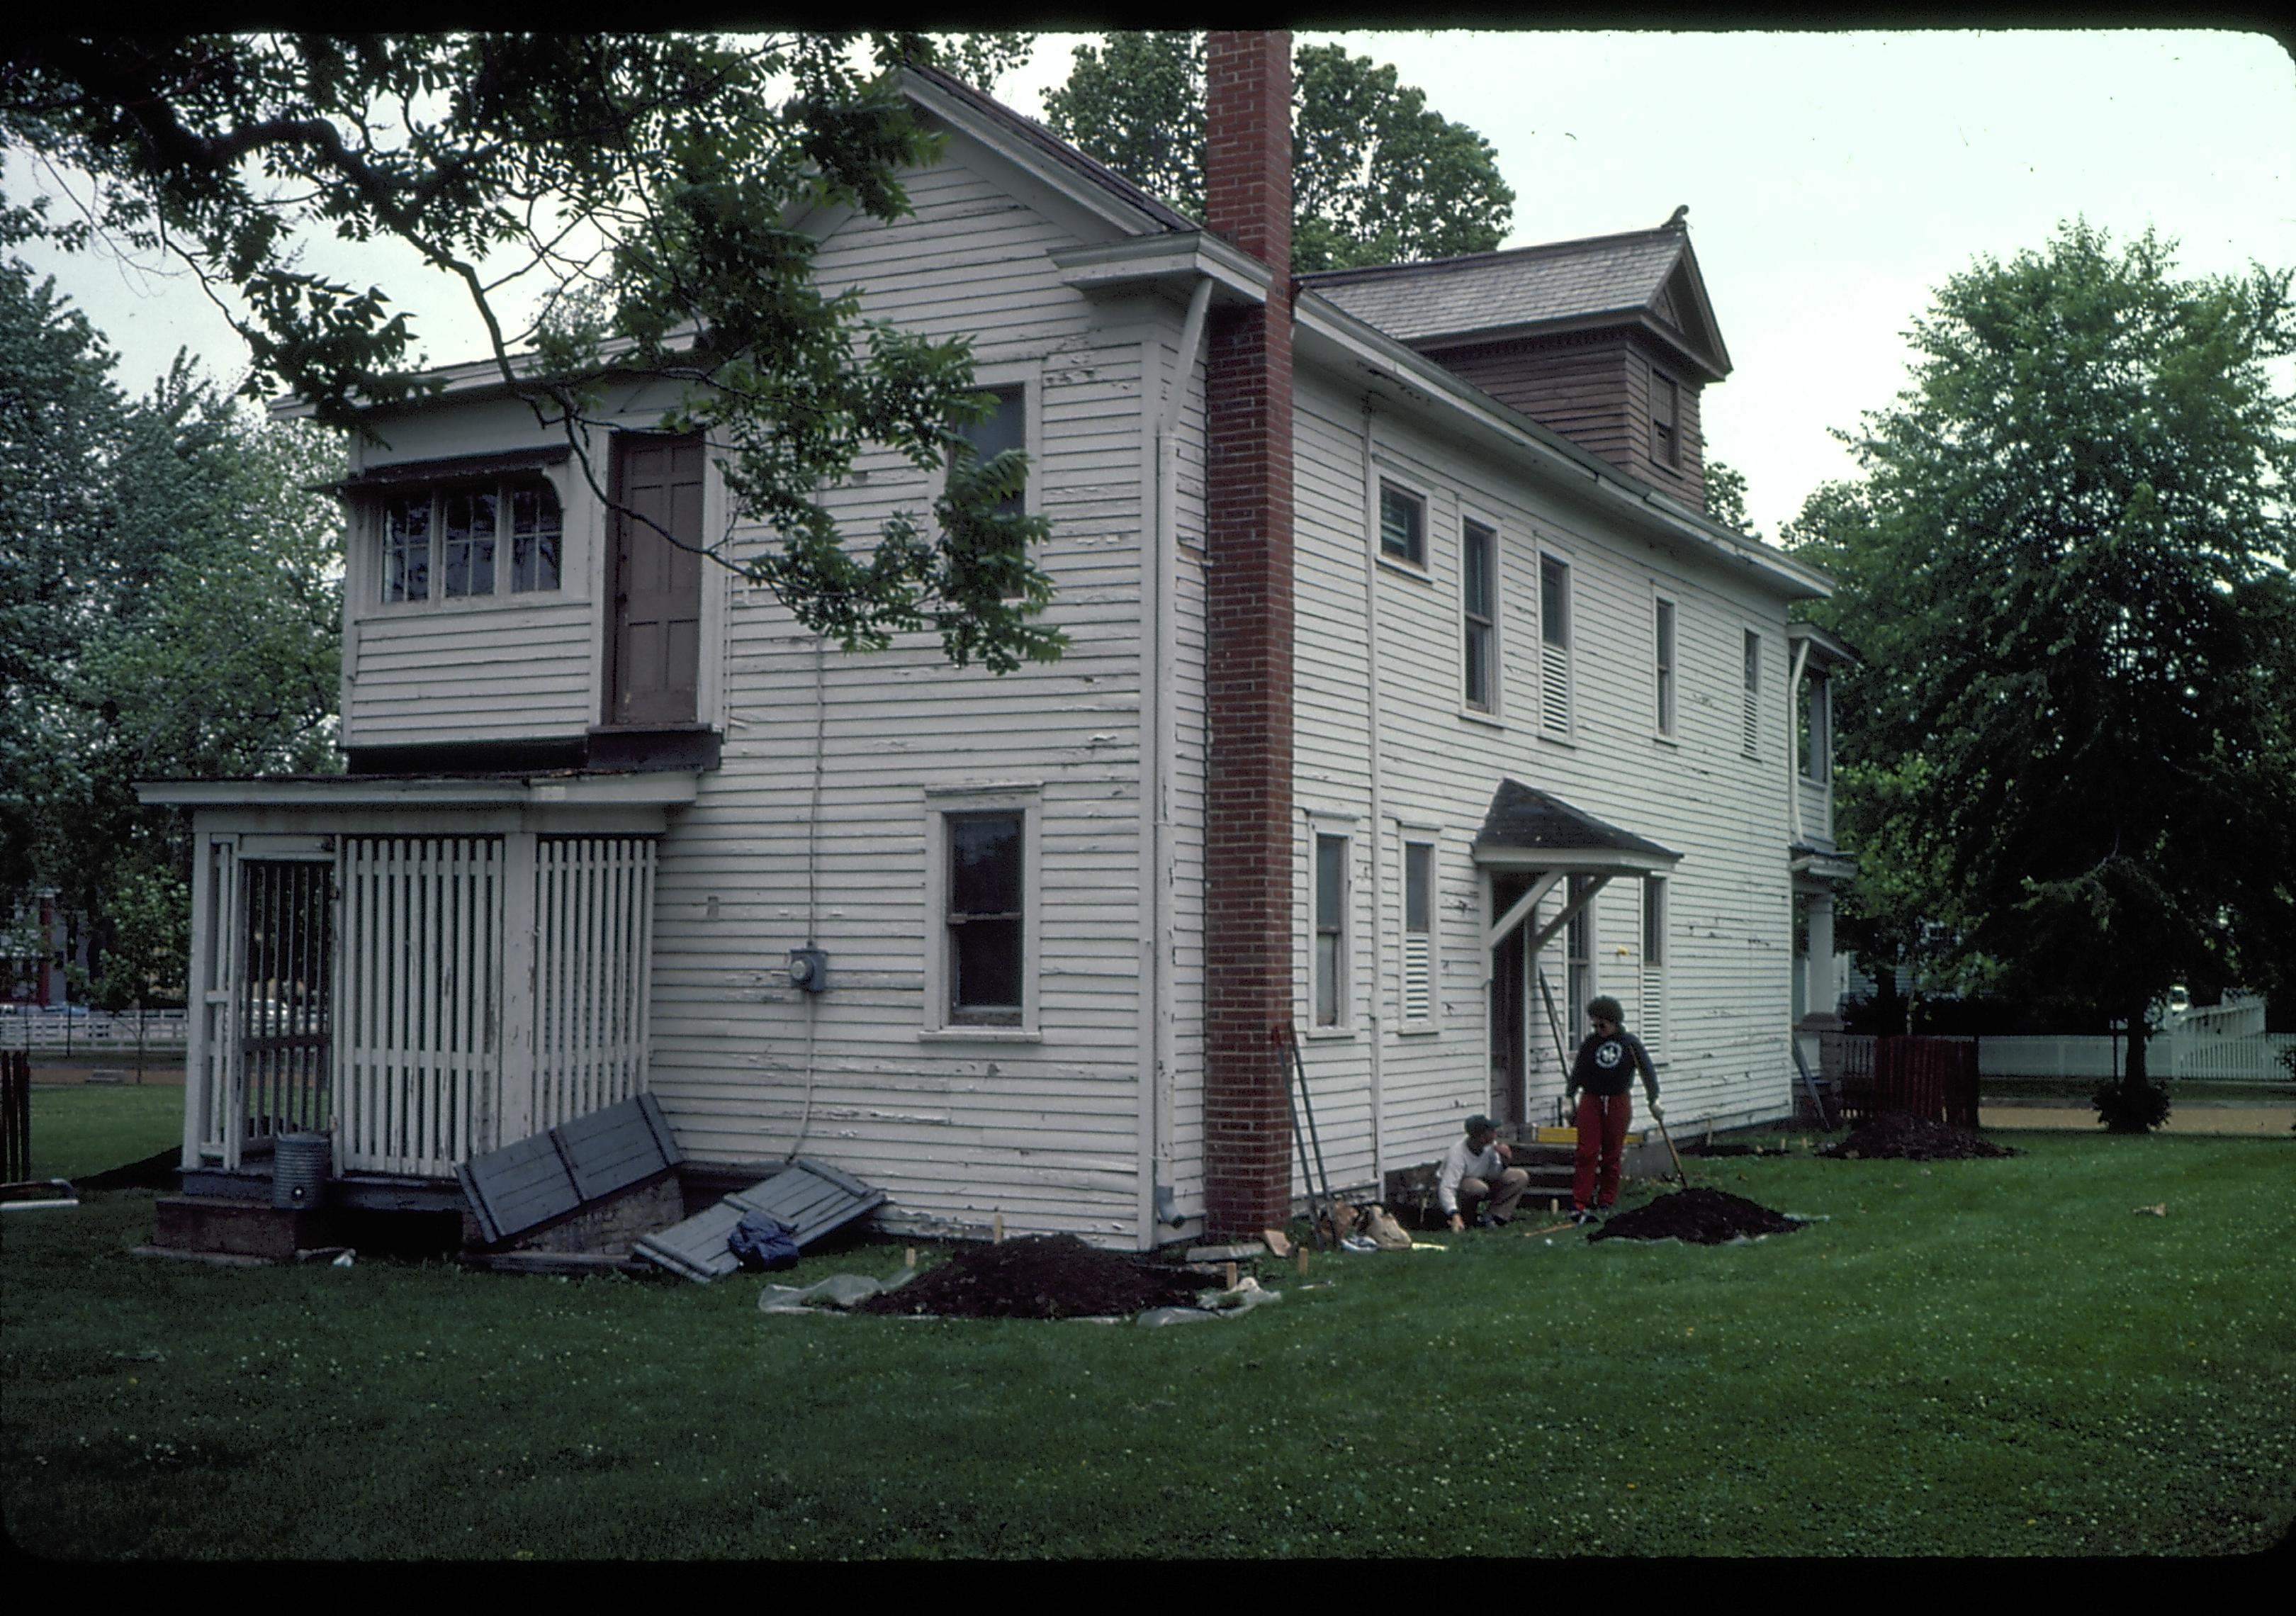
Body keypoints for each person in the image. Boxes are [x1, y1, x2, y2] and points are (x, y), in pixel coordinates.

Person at [1565, 995, 1661, 1223]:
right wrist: (1570, 1096)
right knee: (1587, 1151)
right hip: (1591, 1099)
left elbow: (1647, 1071)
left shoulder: (1629, 1043)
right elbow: (1578, 1071)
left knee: (1612, 1153)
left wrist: (1653, 1099)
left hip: (1618, 1100)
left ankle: (1606, 1199)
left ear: (1614, 1021)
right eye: (1595, 1025)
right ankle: (1580, 1201)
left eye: (1603, 1025)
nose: (1599, 1030)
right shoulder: (1590, 1043)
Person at [1439, 1113, 1529, 1230]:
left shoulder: (1490, 1147)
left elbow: (1493, 1175)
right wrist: (1454, 1214)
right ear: (1481, 1137)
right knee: (1478, 1187)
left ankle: (1494, 1216)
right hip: (1463, 1188)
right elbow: (1447, 1188)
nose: (1495, 1134)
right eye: (1491, 1131)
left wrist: (1504, 1161)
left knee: (1519, 1176)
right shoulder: (1457, 1154)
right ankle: (1466, 1217)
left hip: (1483, 1181)